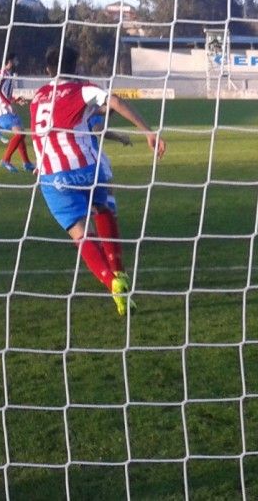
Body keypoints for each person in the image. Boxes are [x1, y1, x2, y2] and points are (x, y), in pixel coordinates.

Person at [31, 45, 165, 316]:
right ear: (76, 66)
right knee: (104, 208)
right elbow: (114, 101)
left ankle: (111, 282)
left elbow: (39, 130)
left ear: (47, 70)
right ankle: (120, 272)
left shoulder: (37, 96)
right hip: (88, 167)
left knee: (80, 234)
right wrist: (148, 132)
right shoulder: (82, 89)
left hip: (52, 173)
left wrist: (41, 160)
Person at [0, 54, 35, 173]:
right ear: (9, 61)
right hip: (2, 110)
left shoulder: (8, 75)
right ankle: (6, 160)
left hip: (7, 108)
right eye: (15, 60)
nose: (17, 62)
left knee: (21, 134)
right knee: (20, 133)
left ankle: (27, 163)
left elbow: (5, 94)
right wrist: (9, 102)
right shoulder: (1, 74)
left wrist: (15, 99)